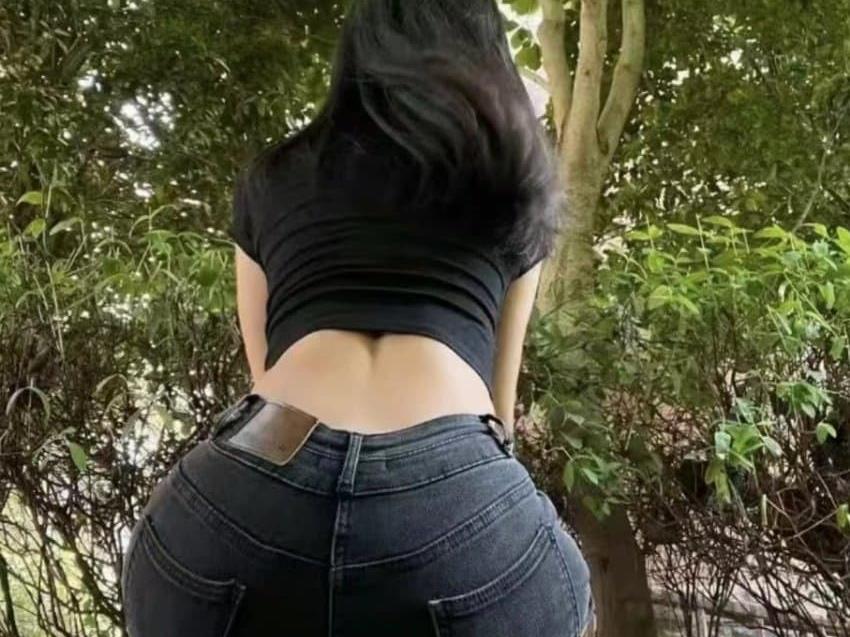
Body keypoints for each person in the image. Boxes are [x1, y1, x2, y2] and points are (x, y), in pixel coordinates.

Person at [120, 0, 594, 635]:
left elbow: (263, 380)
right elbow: (498, 416)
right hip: (459, 500)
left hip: (241, 500)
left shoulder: (274, 176)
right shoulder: (515, 187)